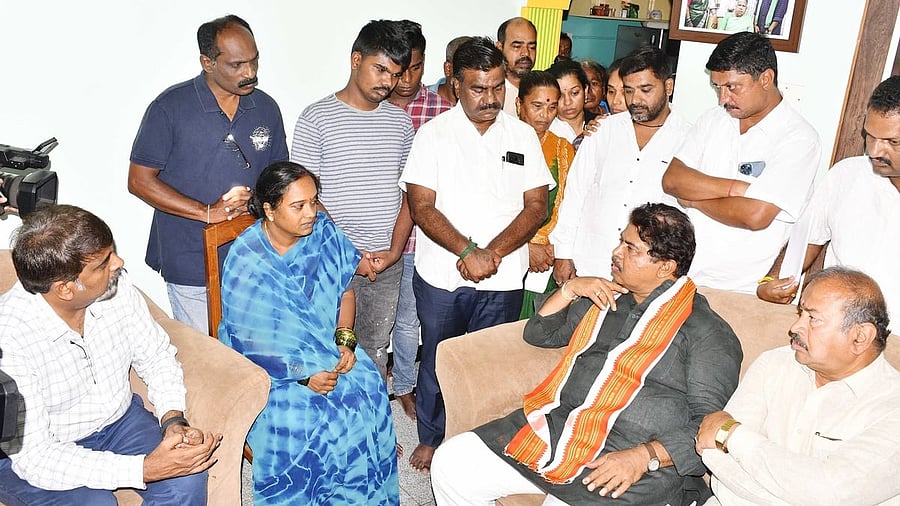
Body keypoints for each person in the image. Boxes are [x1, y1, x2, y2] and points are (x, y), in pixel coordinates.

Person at [431, 203, 742, 505]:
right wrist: (571, 289)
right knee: (452, 462)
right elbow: (540, 333)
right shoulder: (608, 300)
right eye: (621, 241)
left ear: (666, 266)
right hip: (562, 428)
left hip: (630, 458)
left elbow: (710, 426)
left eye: (630, 249)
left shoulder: (707, 331)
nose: (616, 252)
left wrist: (644, 456)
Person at [399, 37, 555, 473]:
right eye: (477, 89)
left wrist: (492, 254)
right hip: (443, 275)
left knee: (492, 362)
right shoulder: (433, 135)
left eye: (497, 88)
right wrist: (467, 250)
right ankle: (432, 436)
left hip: (503, 277)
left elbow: (536, 206)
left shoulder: (522, 134)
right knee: (438, 356)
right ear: (456, 84)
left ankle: (480, 438)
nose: (489, 99)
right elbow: (421, 207)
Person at [0, 205, 220, 504]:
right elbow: (36, 458)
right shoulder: (9, 340)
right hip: (34, 454)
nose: (118, 263)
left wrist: (173, 421)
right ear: (65, 288)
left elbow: (156, 357)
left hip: (119, 422)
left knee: (187, 475)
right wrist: (144, 469)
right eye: (103, 263)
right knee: (97, 502)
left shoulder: (117, 289)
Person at [218, 162, 399, 505]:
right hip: (271, 369)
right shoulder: (247, 256)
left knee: (368, 389)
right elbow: (246, 337)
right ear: (269, 210)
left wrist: (345, 340)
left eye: (314, 202)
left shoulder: (324, 235)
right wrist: (304, 376)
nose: (311, 213)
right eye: (298, 206)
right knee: (307, 419)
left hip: (327, 344)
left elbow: (346, 291)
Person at [128, 14, 289, 333]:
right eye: (237, 65)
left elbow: (278, 176)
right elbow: (139, 181)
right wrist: (206, 212)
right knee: (211, 359)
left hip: (253, 258)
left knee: (251, 355)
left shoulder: (266, 107)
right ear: (207, 62)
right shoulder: (170, 107)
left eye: (254, 61)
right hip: (191, 259)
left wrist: (257, 200)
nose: (250, 73)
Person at [697, 267, 900, 505]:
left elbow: (830, 493)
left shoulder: (892, 407)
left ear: (860, 337)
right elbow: (716, 458)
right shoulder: (774, 363)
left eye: (812, 318)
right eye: (800, 313)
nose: (795, 328)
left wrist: (733, 436)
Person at [291, 19, 414, 381]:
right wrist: (349, 255)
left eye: (394, 74)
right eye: (380, 69)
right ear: (355, 59)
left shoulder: (400, 123)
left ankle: (372, 429)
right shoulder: (316, 119)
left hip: (385, 262)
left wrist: (394, 250)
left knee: (375, 349)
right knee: (327, 351)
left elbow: (410, 195)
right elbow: (303, 201)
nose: (387, 82)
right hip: (328, 259)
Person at [661, 31, 820, 294]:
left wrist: (693, 200)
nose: (722, 98)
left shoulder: (798, 138)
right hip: (687, 278)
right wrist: (738, 188)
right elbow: (672, 180)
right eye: (717, 87)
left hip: (745, 290)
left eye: (732, 87)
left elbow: (755, 215)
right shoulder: (712, 120)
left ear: (766, 79)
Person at [757, 75, 900, 318]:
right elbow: (807, 240)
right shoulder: (847, 175)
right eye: (870, 136)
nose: (874, 151)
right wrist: (770, 281)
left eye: (892, 142)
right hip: (835, 333)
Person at [552, 46, 691, 283]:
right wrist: (563, 254)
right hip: (590, 262)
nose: (635, 99)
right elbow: (575, 192)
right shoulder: (603, 130)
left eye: (645, 90)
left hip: (647, 274)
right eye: (629, 90)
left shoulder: (689, 139)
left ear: (668, 87)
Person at [387, 20, 453, 421]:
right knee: (366, 320)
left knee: (410, 319)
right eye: (400, 70)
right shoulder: (373, 105)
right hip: (374, 233)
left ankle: (405, 385)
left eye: (416, 68)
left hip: (420, 238)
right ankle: (369, 387)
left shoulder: (442, 110)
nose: (408, 79)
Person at [515, 70, 575, 318]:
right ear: (520, 104)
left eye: (552, 107)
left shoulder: (562, 148)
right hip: (507, 252)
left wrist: (560, 252)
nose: (544, 115)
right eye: (537, 105)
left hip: (549, 255)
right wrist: (526, 246)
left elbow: (572, 204)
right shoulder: (503, 140)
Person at [547, 59, 597, 150]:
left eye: (574, 93)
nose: (567, 102)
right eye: (559, 96)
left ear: (585, 90)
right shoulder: (545, 130)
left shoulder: (599, 125)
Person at [496, 17, 537, 116]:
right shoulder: (491, 92)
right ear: (500, 48)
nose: (526, 53)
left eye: (532, 47)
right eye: (517, 46)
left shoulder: (542, 89)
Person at [427, 35, 474, 106]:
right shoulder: (419, 99)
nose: (472, 73)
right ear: (448, 68)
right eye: (464, 66)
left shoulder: (486, 102)